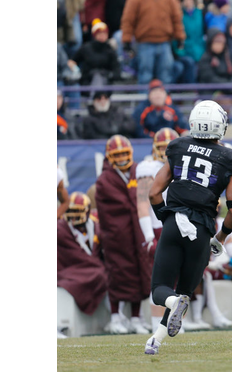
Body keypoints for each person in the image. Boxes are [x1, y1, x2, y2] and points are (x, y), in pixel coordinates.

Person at [142, 101, 232, 355]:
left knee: (160, 292)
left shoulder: (178, 146)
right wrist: (220, 238)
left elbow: (154, 193)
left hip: (175, 221)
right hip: (203, 229)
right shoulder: (229, 157)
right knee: (184, 293)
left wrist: (166, 219)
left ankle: (159, 332)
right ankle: (156, 341)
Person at [96, 134, 152, 335]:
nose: (121, 159)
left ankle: (136, 318)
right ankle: (115, 317)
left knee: (140, 274)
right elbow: (111, 209)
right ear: (109, 157)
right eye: (116, 155)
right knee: (118, 275)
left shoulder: (138, 170)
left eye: (124, 154)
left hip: (138, 233)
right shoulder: (104, 180)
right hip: (117, 237)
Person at [135, 128, 180, 332]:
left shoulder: (186, 166)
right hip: (158, 227)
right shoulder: (148, 167)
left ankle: (175, 321)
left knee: (180, 278)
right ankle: (156, 324)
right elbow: (142, 203)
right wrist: (148, 236)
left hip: (180, 226)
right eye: (163, 148)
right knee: (159, 279)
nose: (167, 152)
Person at [121, 0, 186, 86]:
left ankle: (165, 103)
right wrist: (126, 40)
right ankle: (144, 103)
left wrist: (180, 37)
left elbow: (177, 19)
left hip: (165, 43)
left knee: (166, 75)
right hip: (145, 44)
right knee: (145, 75)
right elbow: (128, 21)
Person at [57, 192, 108, 318]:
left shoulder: (96, 227)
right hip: (71, 269)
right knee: (100, 274)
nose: (74, 216)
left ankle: (116, 317)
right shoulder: (60, 229)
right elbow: (70, 255)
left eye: (77, 211)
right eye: (71, 211)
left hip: (92, 269)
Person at [68, 19, 121, 88]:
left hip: (106, 81)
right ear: (95, 35)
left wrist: (111, 75)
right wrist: (76, 70)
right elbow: (72, 61)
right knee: (97, 77)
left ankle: (99, 95)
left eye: (105, 33)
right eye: (100, 33)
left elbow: (116, 68)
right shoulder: (86, 48)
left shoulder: (110, 50)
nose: (102, 36)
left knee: (100, 78)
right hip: (88, 81)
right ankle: (98, 95)